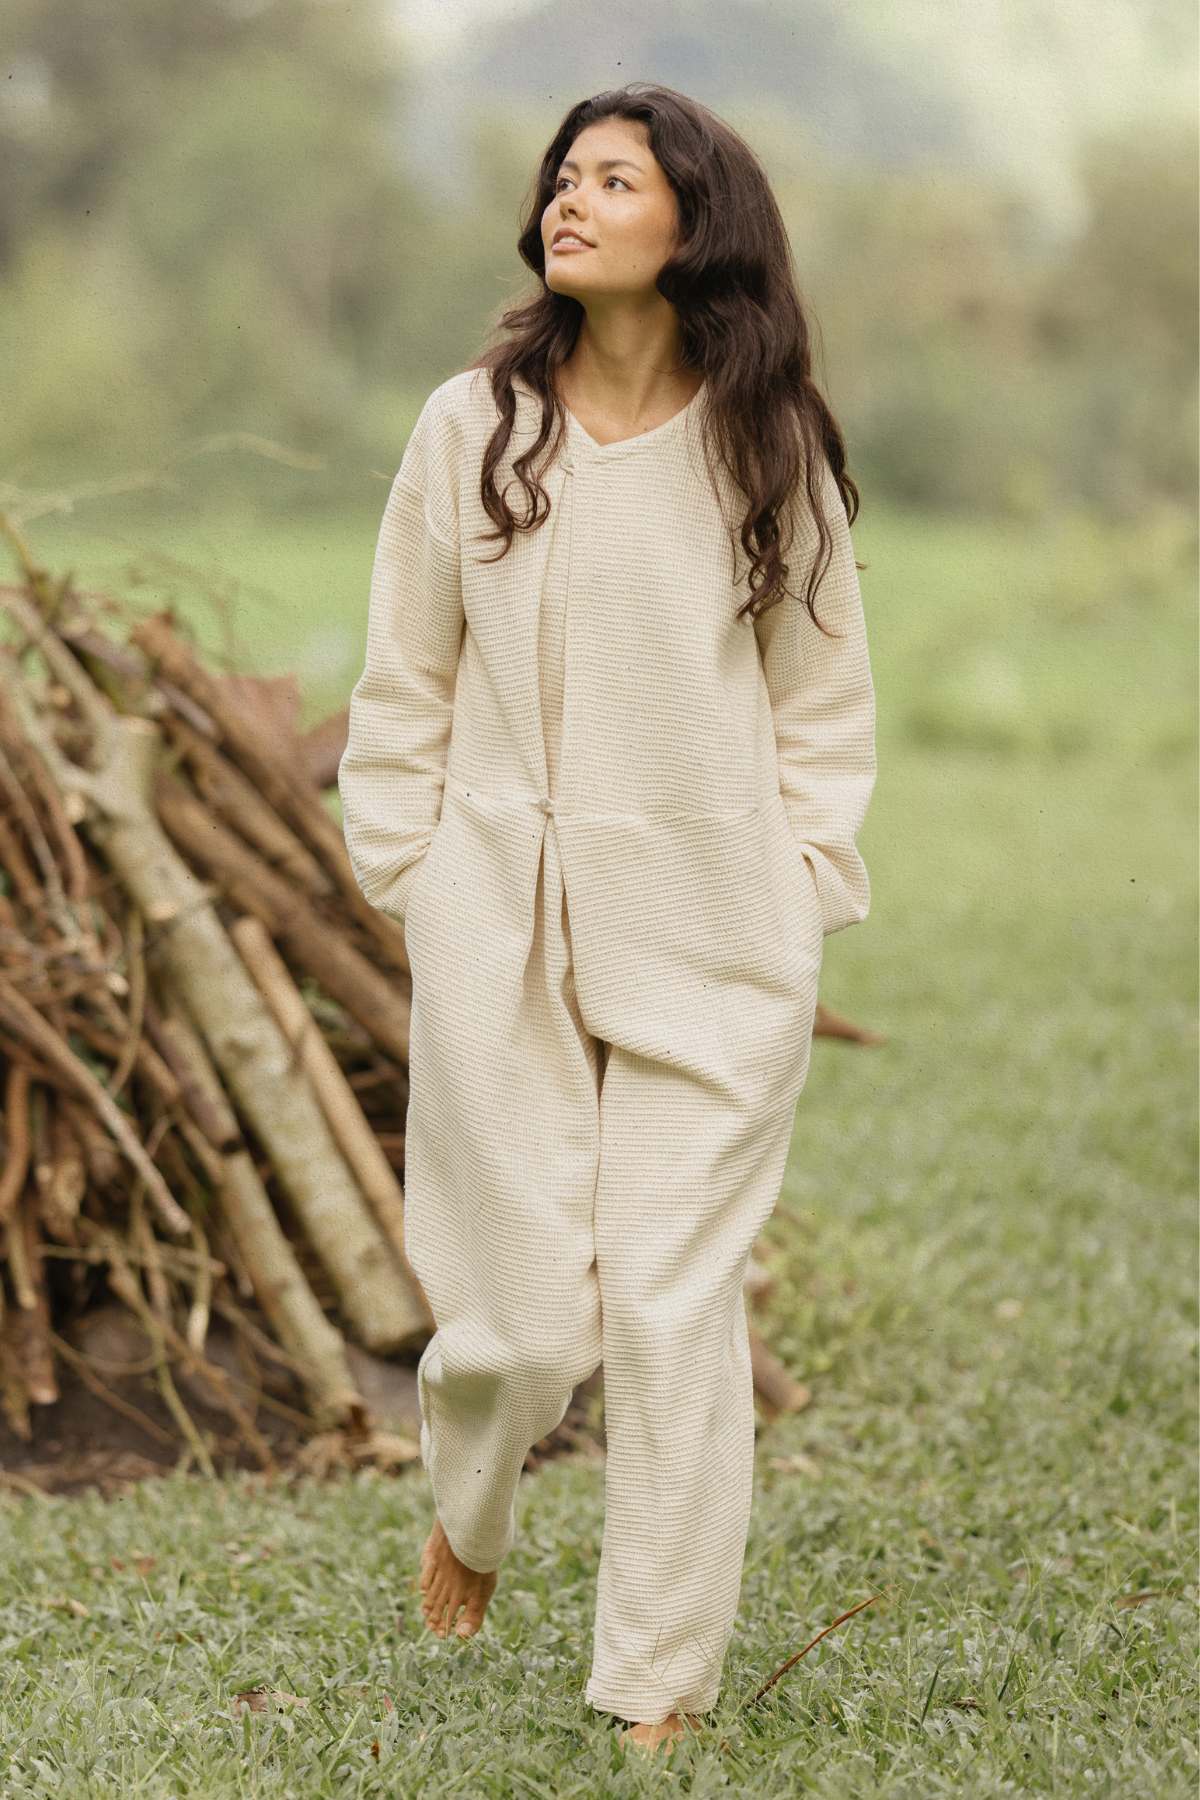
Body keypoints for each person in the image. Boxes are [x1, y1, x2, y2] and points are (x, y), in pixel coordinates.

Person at [338, 80, 878, 1758]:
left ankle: (658, 1686)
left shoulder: (763, 444)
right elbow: (404, 678)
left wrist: (801, 885)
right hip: (496, 924)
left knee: (663, 1308)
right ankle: (474, 1503)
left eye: (614, 180)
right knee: (525, 1325)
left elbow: (822, 697)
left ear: (692, 223)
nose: (571, 202)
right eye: (562, 179)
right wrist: (414, 872)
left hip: (715, 935)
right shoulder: (471, 428)